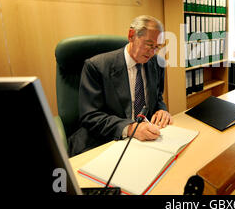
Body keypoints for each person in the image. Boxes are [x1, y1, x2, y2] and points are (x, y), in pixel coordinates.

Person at [69, 15, 173, 156]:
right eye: (149, 45)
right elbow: (90, 116)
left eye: (157, 47)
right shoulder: (96, 66)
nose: (152, 52)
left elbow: (157, 98)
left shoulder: (157, 64)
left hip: (145, 142)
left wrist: (162, 111)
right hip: (105, 140)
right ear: (131, 36)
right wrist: (131, 129)